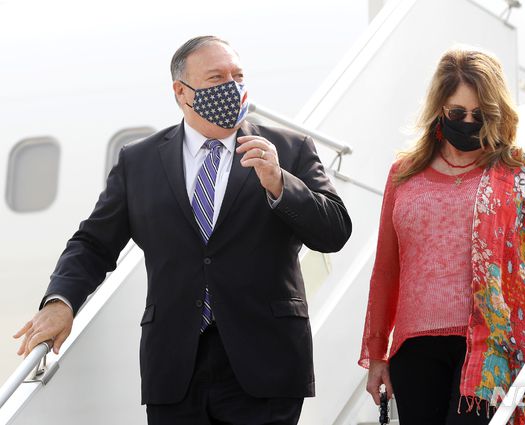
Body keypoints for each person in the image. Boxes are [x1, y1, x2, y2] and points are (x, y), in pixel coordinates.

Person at [13, 35, 352, 425]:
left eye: (238, 76)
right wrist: (60, 302)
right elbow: (93, 244)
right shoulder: (139, 162)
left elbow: (335, 231)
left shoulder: (289, 149)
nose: (232, 87)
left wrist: (280, 183)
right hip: (175, 369)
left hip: (266, 364)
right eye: (216, 78)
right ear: (181, 91)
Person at [358, 48, 525, 425]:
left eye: (479, 114)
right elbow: (386, 270)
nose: (468, 122)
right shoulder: (404, 174)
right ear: (439, 109)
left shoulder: (519, 170)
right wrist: (377, 354)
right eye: (457, 113)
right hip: (414, 350)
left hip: (492, 346)